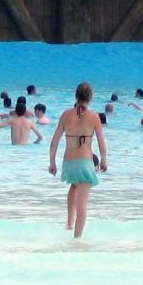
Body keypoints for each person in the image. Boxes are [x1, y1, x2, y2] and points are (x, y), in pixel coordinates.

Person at [48, 82, 107, 239]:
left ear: (76, 96)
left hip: (68, 164)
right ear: (90, 98)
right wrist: (104, 160)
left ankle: (69, 223)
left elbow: (54, 141)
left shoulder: (66, 115)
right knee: (83, 207)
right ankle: (77, 240)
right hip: (85, 164)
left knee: (74, 186)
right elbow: (102, 143)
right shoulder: (94, 117)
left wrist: (52, 163)